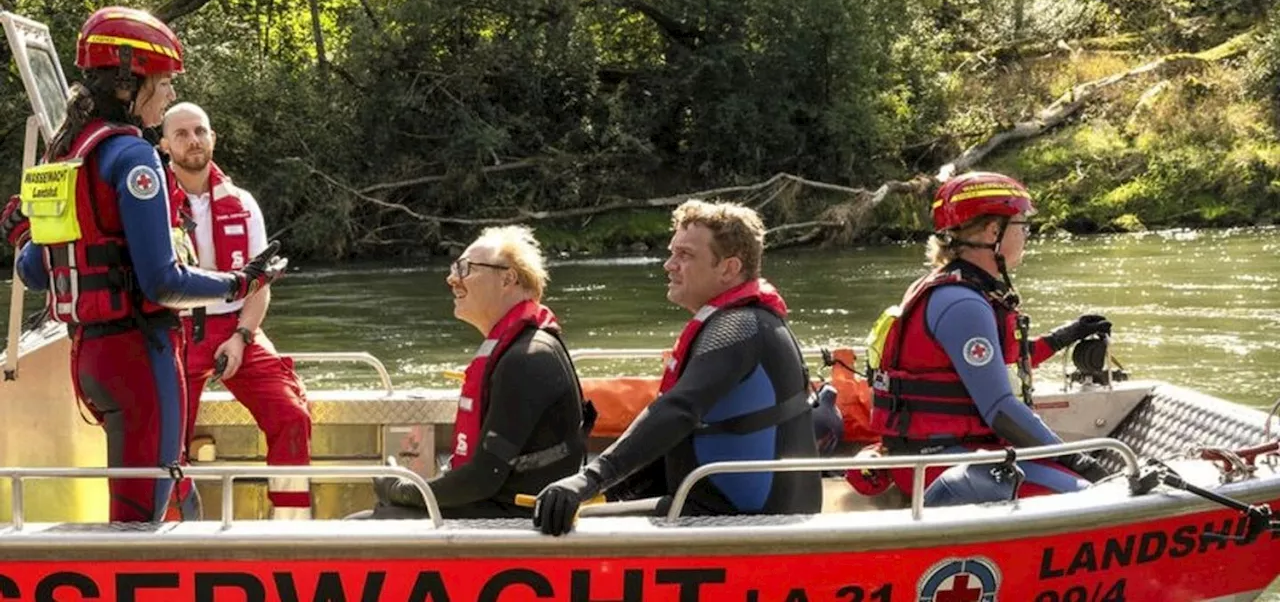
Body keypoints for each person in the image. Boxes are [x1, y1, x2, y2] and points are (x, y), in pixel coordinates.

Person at [0, 7, 287, 523]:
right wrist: (243, 281)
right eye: (164, 83)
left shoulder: (67, 153)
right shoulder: (135, 159)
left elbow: (37, 271)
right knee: (141, 522)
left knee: (165, 497)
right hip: (139, 356)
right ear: (131, 84)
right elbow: (164, 280)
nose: (171, 94)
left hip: (90, 357)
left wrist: (21, 234)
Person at [534, 200, 821, 536]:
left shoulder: (739, 328)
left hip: (744, 523)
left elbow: (678, 409)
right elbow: (676, 435)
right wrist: (601, 491)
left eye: (685, 255)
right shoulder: (744, 322)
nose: (669, 265)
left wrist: (590, 479)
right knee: (567, 509)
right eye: (672, 253)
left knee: (554, 527)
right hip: (729, 509)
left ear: (728, 268)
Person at [859, 171, 1110, 507]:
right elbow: (1000, 410)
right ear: (994, 231)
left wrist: (1066, 335)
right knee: (1094, 495)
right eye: (1022, 226)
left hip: (938, 452)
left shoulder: (953, 287)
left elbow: (998, 363)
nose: (1027, 236)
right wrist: (1073, 458)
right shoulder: (963, 303)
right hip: (941, 460)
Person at [358, 226, 592, 519]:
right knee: (373, 518)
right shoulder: (517, 349)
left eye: (466, 268)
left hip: (518, 520)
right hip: (499, 506)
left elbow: (484, 477)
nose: (452, 278)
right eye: (455, 267)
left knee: (368, 522)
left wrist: (404, 490)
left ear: (508, 278)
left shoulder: (528, 358)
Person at [161, 102, 313, 520]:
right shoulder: (151, 203)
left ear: (213, 138)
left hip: (236, 327)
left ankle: (290, 525)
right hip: (174, 331)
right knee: (165, 442)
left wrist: (242, 337)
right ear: (165, 144)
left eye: (200, 131)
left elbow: (259, 285)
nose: (193, 140)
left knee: (291, 413)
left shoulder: (243, 203)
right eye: (181, 134)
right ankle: (175, 533)